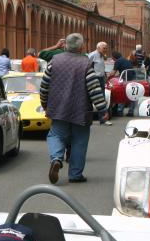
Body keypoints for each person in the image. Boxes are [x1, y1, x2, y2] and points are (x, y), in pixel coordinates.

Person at [41, 33, 109, 183]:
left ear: (66, 45)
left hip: (58, 108)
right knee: (80, 141)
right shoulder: (85, 63)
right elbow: (94, 88)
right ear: (81, 47)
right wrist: (102, 110)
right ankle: (75, 174)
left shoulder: (54, 60)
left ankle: (57, 158)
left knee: (55, 135)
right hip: (81, 110)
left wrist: (44, 104)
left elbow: (44, 85)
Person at [87, 42, 111, 125]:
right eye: (104, 48)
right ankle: (87, 119)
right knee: (91, 98)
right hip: (94, 78)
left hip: (101, 78)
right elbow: (87, 65)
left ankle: (103, 119)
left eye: (106, 48)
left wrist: (105, 76)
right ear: (98, 48)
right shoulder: (92, 55)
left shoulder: (102, 55)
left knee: (102, 98)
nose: (106, 49)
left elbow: (101, 66)